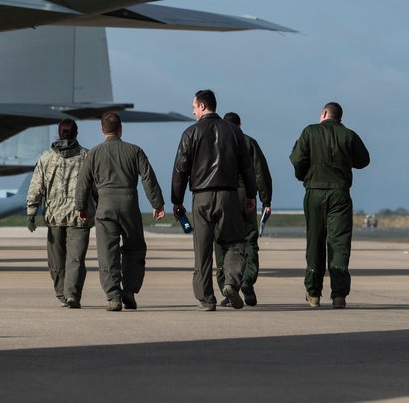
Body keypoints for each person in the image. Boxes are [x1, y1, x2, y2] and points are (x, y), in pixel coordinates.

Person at [171, 90, 256, 311]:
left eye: (193, 106)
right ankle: (231, 283)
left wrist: (177, 200)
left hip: (201, 196)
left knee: (202, 248)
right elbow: (247, 167)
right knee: (235, 242)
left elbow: (181, 169)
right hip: (228, 194)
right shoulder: (234, 132)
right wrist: (251, 195)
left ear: (201, 106)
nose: (192, 110)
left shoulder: (191, 132)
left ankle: (206, 299)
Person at [75, 111, 165, 312]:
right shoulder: (135, 151)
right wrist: (157, 203)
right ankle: (129, 291)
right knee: (134, 248)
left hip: (105, 206)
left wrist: (82, 207)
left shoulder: (94, 153)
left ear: (102, 130)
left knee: (108, 252)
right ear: (121, 129)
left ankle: (113, 296)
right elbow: (148, 177)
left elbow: (83, 182)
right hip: (129, 205)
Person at [290, 102, 370, 309]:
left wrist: (304, 176)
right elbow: (363, 161)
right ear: (339, 117)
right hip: (340, 193)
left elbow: (297, 159)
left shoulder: (309, 132)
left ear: (324, 113)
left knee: (315, 240)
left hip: (315, 192)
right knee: (339, 243)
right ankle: (339, 295)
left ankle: (314, 293)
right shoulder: (349, 135)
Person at [26, 119, 92, 309]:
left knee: (56, 259)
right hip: (80, 215)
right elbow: (95, 185)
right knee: (76, 259)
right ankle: (72, 294)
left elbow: (36, 185)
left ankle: (62, 293)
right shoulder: (86, 156)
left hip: (54, 216)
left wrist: (31, 212)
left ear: (58, 133)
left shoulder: (46, 157)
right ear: (76, 133)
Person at [214, 112, 273, 307]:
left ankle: (227, 286)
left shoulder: (215, 142)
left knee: (222, 242)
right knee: (249, 240)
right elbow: (260, 173)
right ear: (240, 125)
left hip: (221, 196)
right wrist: (266, 201)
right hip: (245, 196)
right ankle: (247, 279)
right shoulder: (249, 142)